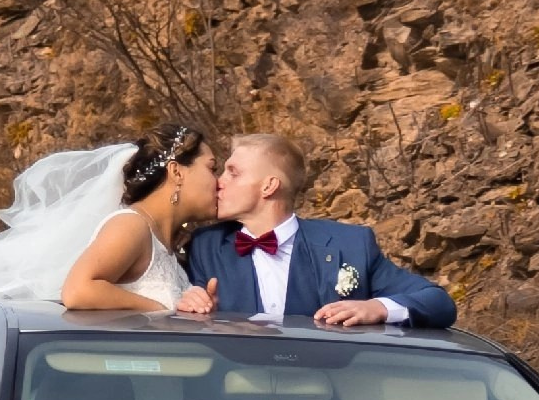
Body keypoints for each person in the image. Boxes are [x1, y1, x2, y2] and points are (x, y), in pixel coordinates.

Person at [0, 125, 219, 312]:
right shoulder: (131, 227)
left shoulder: (166, 243)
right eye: (211, 167)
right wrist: (164, 309)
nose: (217, 180)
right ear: (177, 171)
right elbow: (78, 291)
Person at [180, 132, 456, 327]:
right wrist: (194, 306)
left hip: (331, 395)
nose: (219, 182)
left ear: (269, 186)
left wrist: (378, 307)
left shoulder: (350, 245)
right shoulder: (205, 246)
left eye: (233, 172)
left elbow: (438, 303)